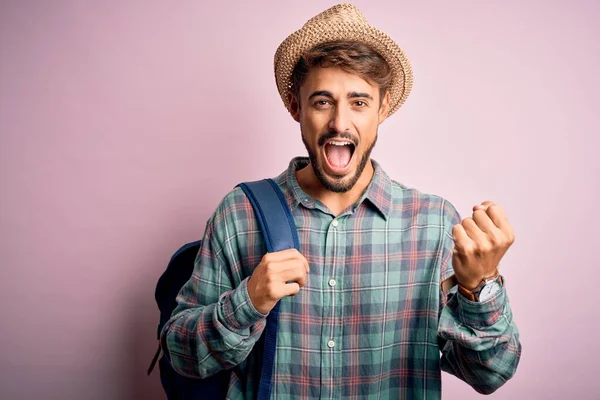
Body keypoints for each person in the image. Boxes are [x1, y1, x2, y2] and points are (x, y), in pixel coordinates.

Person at [160, 3, 521, 398]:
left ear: (383, 108)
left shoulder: (433, 224)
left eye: (359, 102)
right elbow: (182, 356)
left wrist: (479, 287)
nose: (339, 122)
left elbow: (490, 375)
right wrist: (248, 302)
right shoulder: (240, 213)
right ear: (296, 107)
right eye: (322, 101)